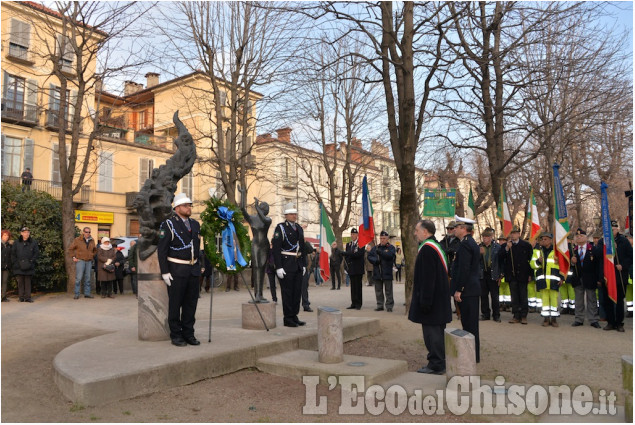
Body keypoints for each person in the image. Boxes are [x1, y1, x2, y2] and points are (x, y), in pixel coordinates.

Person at [157, 193, 201, 346]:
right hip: (176, 269)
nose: (189, 208)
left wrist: (199, 264)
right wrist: (165, 272)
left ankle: (189, 333)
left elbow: (197, 246)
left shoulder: (195, 224)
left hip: (193, 270)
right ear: (176, 208)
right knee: (175, 304)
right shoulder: (168, 224)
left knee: (191, 304)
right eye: (186, 205)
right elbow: (162, 250)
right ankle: (176, 335)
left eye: (189, 205)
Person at [408, 219, 451, 375]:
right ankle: (439, 361)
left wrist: (425, 302)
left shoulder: (427, 249)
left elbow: (427, 278)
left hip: (432, 302)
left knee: (432, 334)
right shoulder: (436, 246)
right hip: (439, 299)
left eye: (416, 230)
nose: (415, 233)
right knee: (438, 333)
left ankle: (436, 364)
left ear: (425, 232)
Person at [272, 204, 307, 327]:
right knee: (287, 292)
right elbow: (276, 249)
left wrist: (303, 264)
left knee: (297, 292)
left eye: (295, 214)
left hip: (297, 263)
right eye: (292, 214)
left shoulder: (299, 228)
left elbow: (301, 248)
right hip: (286, 264)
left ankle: (294, 315)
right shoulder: (280, 228)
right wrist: (279, 266)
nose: (294, 216)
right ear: (286, 215)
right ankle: (288, 318)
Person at [451, 219, 481, 363]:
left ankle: (471, 356)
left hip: (467, 290)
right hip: (471, 289)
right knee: (470, 323)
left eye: (456, 227)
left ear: (463, 228)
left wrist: (459, 289)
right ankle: (473, 355)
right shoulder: (470, 242)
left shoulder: (465, 245)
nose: (454, 229)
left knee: (469, 325)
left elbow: (464, 269)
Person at [239, 189, 272, 302]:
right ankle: (256, 295)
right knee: (256, 268)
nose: (267, 210)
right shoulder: (252, 219)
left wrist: (257, 207)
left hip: (264, 246)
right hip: (255, 245)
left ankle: (260, 294)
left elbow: (264, 219)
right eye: (265, 207)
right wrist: (242, 194)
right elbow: (242, 209)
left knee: (262, 269)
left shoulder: (267, 220)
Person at [498, 226, 533, 324]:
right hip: (512, 275)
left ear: (519, 234)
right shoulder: (506, 245)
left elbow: (530, 261)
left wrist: (530, 274)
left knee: (523, 295)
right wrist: (507, 249)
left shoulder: (526, 245)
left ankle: (523, 315)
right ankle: (516, 315)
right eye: (511, 233)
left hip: (523, 274)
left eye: (515, 233)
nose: (513, 235)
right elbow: (500, 257)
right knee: (514, 296)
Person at [601, 220, 631, 332]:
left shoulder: (624, 241)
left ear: (617, 229)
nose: (611, 231)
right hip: (608, 276)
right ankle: (610, 322)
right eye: (609, 230)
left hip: (620, 276)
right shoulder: (603, 241)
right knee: (608, 301)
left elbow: (630, 256)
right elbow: (599, 255)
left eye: (613, 230)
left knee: (619, 301)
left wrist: (623, 265)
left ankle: (619, 323)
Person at [530, 232, 563, 327]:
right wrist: (538, 261)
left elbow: (562, 266)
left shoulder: (556, 252)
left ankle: (554, 319)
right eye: (542, 239)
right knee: (545, 300)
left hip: (554, 280)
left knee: (554, 300)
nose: (543, 241)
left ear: (550, 240)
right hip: (542, 280)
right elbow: (532, 265)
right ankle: (546, 319)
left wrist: (562, 278)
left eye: (545, 239)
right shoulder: (537, 251)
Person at [570, 228, 600, 328]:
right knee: (578, 299)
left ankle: (593, 319)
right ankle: (579, 319)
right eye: (577, 236)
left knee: (591, 299)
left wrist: (599, 278)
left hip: (590, 278)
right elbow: (567, 265)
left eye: (581, 236)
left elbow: (598, 265)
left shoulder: (592, 249)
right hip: (578, 278)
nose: (579, 238)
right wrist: (572, 262)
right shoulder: (573, 250)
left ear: (586, 238)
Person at [367, 230, 396, 312]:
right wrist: (375, 261)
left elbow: (390, 256)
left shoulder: (391, 247)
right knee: (378, 290)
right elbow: (369, 256)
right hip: (377, 272)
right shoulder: (375, 248)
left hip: (387, 272)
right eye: (381, 238)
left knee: (388, 291)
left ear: (387, 239)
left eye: (384, 238)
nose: (382, 240)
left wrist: (381, 252)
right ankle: (380, 305)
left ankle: (389, 306)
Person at [11, 226, 39, 302]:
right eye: (24, 232)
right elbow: (13, 254)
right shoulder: (17, 242)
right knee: (20, 282)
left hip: (29, 265)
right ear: (21, 233)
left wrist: (31, 261)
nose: (26, 234)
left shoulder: (33, 242)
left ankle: (27, 297)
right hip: (19, 265)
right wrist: (16, 263)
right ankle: (21, 297)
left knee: (28, 282)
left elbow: (36, 253)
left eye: (27, 232)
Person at [68, 227, 97, 299]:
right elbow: (71, 249)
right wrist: (73, 257)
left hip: (89, 261)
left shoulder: (92, 240)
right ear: (83, 232)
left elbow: (95, 250)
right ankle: (77, 293)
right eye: (86, 232)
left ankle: (87, 293)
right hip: (80, 260)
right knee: (78, 278)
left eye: (89, 232)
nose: (88, 233)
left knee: (88, 278)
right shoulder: (77, 240)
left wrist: (92, 255)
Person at [479, 228, 501, 322]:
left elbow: (500, 262)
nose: (485, 239)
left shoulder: (497, 247)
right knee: (483, 295)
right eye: (483, 237)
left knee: (495, 296)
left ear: (491, 237)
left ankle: (496, 315)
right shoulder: (479, 246)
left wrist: (500, 274)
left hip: (493, 273)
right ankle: (485, 314)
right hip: (483, 273)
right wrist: (479, 254)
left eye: (487, 237)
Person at [342, 228, 365, 310]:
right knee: (353, 287)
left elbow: (358, 254)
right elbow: (348, 256)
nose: (352, 236)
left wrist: (347, 254)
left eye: (354, 234)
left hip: (358, 268)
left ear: (357, 235)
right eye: (351, 234)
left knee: (358, 286)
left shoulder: (361, 244)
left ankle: (359, 303)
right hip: (351, 268)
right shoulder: (349, 244)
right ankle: (353, 303)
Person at [497, 235, 512, 311]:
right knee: (500, 290)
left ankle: (508, 304)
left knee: (507, 289)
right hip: (499, 272)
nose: (501, 242)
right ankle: (501, 304)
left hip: (506, 272)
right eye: (500, 240)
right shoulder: (497, 248)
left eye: (503, 240)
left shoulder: (508, 249)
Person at [301, 241, 314, 312]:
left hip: (303, 268)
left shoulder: (303, 243)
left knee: (304, 287)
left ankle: (305, 304)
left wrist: (305, 242)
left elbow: (311, 250)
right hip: (294, 267)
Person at [2, 230, 13, 302]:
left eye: (7, 235)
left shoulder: (9, 245)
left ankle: (3, 296)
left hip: (6, 266)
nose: (6, 237)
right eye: (5, 235)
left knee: (5, 281)